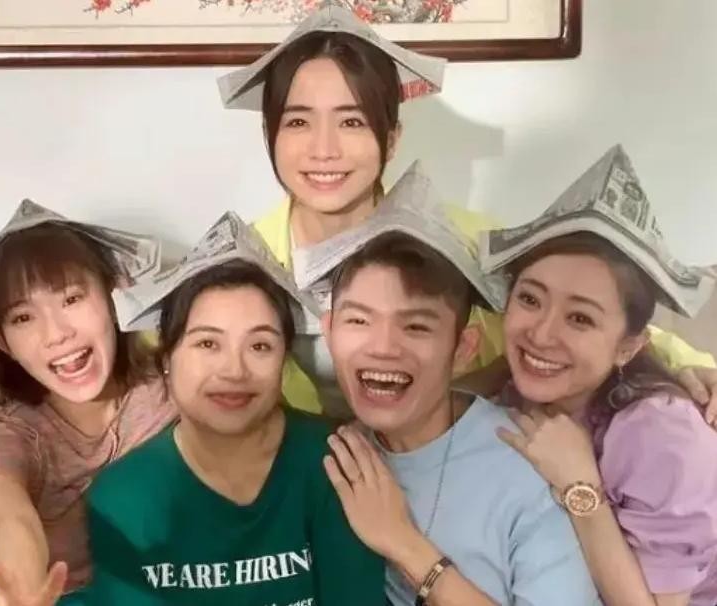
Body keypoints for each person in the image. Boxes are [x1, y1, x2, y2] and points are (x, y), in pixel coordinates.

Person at [217, 3, 717, 420]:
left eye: (351, 122)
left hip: (454, 460)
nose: (324, 150)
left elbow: (590, 310)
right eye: (298, 122)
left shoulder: (465, 240)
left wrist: (688, 365)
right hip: (310, 475)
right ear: (270, 135)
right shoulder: (247, 259)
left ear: (391, 139)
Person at [295, 183, 602, 604]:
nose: (383, 347)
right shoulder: (330, 455)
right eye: (359, 321)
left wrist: (404, 543)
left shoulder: (528, 464)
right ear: (329, 333)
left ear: (462, 349)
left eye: (416, 326)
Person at [81, 212, 385, 605]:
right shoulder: (124, 498)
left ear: (283, 360)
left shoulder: (335, 463)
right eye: (208, 344)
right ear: (167, 358)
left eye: (260, 346)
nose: (234, 370)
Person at [491, 148, 717, 605]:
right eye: (530, 299)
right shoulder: (516, 397)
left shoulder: (661, 432)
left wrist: (581, 487)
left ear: (628, 346)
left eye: (580, 318)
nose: (541, 334)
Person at [0, 200, 175, 605]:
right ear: (2, 341)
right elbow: (9, 517)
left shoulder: (171, 388)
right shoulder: (13, 433)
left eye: (71, 299)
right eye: (23, 318)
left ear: (112, 297)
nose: (57, 334)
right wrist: (21, 589)